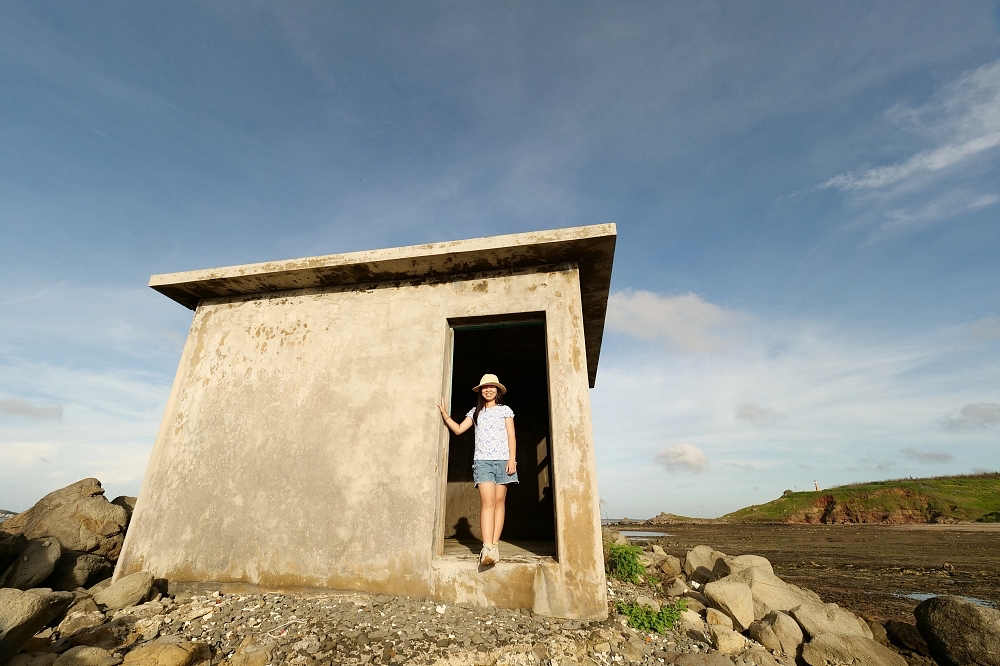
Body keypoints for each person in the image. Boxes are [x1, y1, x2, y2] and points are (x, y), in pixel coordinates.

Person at [438, 373, 518, 566]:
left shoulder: (505, 410)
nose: (488, 390)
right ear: (480, 391)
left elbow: (511, 436)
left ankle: (494, 545)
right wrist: (444, 414)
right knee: (487, 502)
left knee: (499, 503)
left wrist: (512, 459)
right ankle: (487, 547)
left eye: (492, 387)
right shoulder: (475, 412)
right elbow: (457, 429)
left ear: (497, 390)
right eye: (484, 387)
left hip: (503, 461)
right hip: (482, 462)